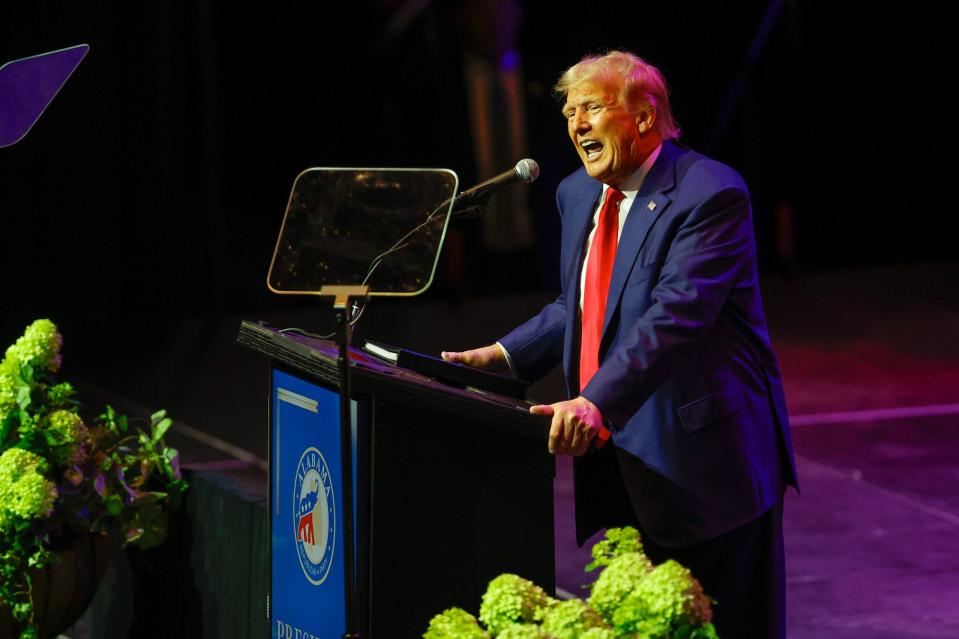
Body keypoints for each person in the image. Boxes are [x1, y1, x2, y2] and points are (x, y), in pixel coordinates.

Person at [442, 50, 798, 638]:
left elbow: (674, 318)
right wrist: (504, 356)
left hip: (709, 468)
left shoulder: (709, 194)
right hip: (625, 462)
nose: (576, 123)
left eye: (592, 108)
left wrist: (593, 401)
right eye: (568, 111)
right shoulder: (577, 195)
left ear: (644, 116)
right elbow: (579, 304)